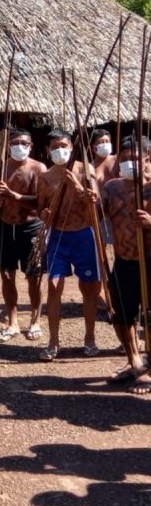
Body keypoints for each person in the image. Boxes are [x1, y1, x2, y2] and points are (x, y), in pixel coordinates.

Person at [37, 129, 101, 361]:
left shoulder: (86, 170)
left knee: (90, 288)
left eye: (63, 146)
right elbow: (40, 208)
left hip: (84, 235)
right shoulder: (45, 177)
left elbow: (94, 200)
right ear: (47, 150)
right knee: (54, 287)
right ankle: (53, 341)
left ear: (72, 147)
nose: (59, 150)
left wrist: (76, 184)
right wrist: (44, 214)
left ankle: (90, 338)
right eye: (54, 147)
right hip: (59, 237)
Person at [0, 128, 47, 342]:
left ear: (31, 146)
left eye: (24, 143)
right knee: (6, 274)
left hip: (31, 227)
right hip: (5, 226)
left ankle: (35, 320)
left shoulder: (38, 169)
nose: (19, 146)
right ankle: (12, 321)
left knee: (34, 276)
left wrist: (14, 196)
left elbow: (41, 202)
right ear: (8, 146)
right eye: (15, 143)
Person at [101, 136, 151, 393]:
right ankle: (134, 361)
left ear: (147, 158)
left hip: (149, 262)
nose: (129, 163)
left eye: (135, 158)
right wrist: (88, 199)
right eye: (124, 159)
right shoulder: (112, 187)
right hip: (124, 260)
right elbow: (95, 213)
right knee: (121, 316)